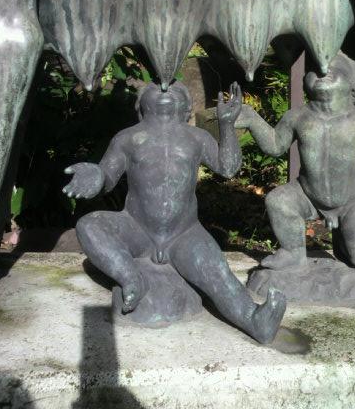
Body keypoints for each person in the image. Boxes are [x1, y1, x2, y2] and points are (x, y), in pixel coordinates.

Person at [63, 81, 286, 344]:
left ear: (186, 107)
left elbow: (227, 168)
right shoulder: (127, 138)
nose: (164, 87)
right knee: (89, 224)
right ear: (140, 106)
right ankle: (131, 277)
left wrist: (226, 125)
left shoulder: (197, 137)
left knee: (217, 273)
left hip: (184, 234)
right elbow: (108, 176)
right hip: (136, 229)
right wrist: (96, 176)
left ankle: (255, 320)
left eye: (174, 87)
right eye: (155, 86)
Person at [236, 53, 355, 272]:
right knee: (278, 200)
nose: (323, 71)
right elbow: (275, 146)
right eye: (316, 69)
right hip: (307, 195)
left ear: (354, 84)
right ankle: (292, 253)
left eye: (334, 69)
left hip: (351, 201)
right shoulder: (297, 116)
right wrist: (252, 119)